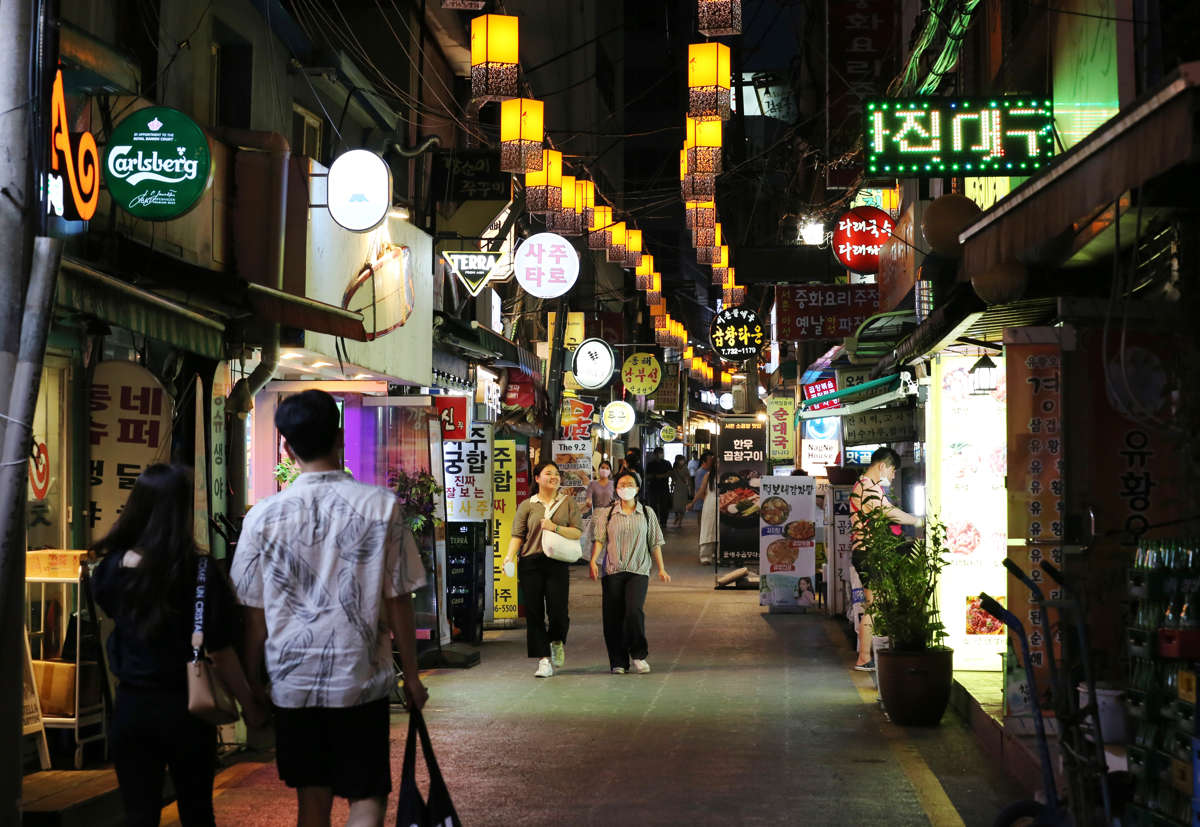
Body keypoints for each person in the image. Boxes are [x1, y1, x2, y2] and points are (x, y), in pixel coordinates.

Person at [231, 390, 428, 827]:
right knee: (367, 797)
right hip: (360, 680)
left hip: (293, 683)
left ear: (287, 447)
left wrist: (253, 686)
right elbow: (398, 599)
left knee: (312, 803)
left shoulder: (262, 517)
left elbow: (254, 615)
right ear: (339, 437)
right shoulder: (380, 507)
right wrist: (412, 677)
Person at [91, 463, 266, 827]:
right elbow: (221, 652)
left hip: (132, 706)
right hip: (188, 708)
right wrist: (248, 704)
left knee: (139, 814)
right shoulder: (199, 571)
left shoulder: (111, 568)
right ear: (182, 511)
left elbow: (109, 607)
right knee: (197, 811)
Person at [502, 460, 584, 677]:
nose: (554, 477)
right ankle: (543, 660)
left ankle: (557, 640)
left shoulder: (568, 502)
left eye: (556, 473)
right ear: (537, 478)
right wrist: (509, 557)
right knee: (534, 612)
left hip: (557, 562)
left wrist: (554, 527)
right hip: (531, 563)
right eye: (548, 473)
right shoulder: (527, 505)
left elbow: (577, 531)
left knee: (558, 611)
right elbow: (518, 535)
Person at [589, 469, 670, 674]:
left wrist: (661, 568)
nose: (626, 488)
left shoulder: (647, 513)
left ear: (638, 488)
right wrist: (593, 561)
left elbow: (655, 542)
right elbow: (599, 539)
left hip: (638, 570)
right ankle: (618, 660)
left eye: (630, 484)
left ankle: (639, 655)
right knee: (613, 616)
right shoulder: (607, 513)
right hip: (612, 570)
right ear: (616, 489)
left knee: (634, 611)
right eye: (622, 485)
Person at [850, 446, 923, 671]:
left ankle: (866, 657)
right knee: (875, 606)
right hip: (868, 553)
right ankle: (864, 658)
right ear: (882, 466)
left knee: (876, 605)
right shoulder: (866, 487)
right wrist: (918, 521)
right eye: (892, 471)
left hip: (868, 553)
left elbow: (888, 509)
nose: (892, 476)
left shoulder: (869, 487)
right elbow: (888, 512)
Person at [688, 452, 718, 565]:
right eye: (717, 463)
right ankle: (705, 556)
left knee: (719, 529)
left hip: (722, 503)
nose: (719, 465)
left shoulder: (724, 475)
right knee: (707, 529)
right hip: (709, 503)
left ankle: (717, 554)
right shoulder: (707, 475)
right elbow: (701, 491)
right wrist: (692, 502)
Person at [645, 447, 672, 517]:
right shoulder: (650, 464)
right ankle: (655, 519)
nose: (658, 455)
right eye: (657, 453)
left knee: (664, 506)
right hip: (653, 488)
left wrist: (661, 476)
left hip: (664, 488)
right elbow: (647, 476)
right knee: (653, 506)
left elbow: (671, 473)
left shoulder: (667, 463)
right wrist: (655, 476)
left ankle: (663, 521)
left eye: (660, 453)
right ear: (654, 454)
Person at [669, 455, 692, 528]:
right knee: (676, 505)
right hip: (677, 487)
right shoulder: (675, 468)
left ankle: (680, 522)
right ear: (677, 461)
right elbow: (673, 478)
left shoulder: (685, 468)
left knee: (682, 505)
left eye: (683, 460)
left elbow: (688, 478)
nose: (682, 461)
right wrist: (672, 485)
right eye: (681, 460)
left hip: (683, 488)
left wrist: (689, 488)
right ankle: (677, 516)